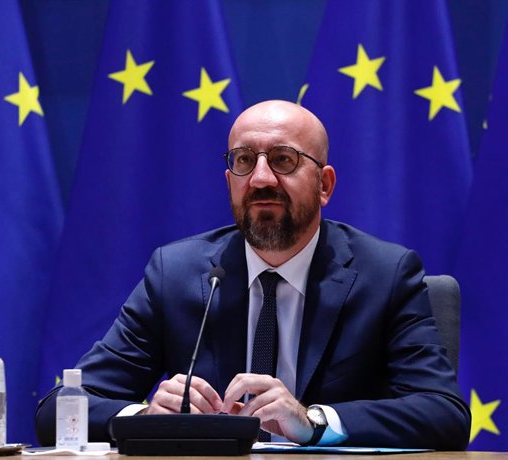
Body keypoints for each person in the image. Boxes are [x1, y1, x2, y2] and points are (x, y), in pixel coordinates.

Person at [35, 100, 471, 449]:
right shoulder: (176, 273)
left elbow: (443, 413)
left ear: (325, 185)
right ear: (230, 180)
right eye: (244, 161)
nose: (261, 178)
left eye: (283, 160)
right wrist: (144, 419)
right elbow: (57, 410)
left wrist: (312, 421)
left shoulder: (386, 274)